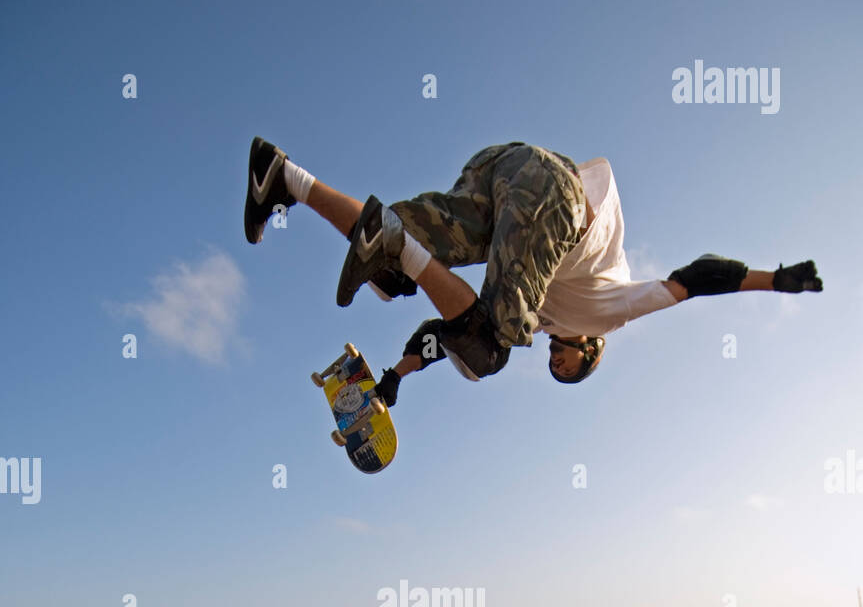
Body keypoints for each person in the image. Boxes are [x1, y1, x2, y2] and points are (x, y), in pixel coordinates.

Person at [244, 137, 822, 402]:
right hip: (557, 201)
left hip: (505, 167)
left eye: (552, 364)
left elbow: (437, 339)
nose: (552, 356)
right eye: (565, 363)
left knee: (396, 269)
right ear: (591, 350)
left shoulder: (538, 311)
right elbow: (695, 278)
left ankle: (283, 176)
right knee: (492, 347)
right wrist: (773, 279)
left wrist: (397, 376)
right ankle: (395, 242)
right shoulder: (614, 311)